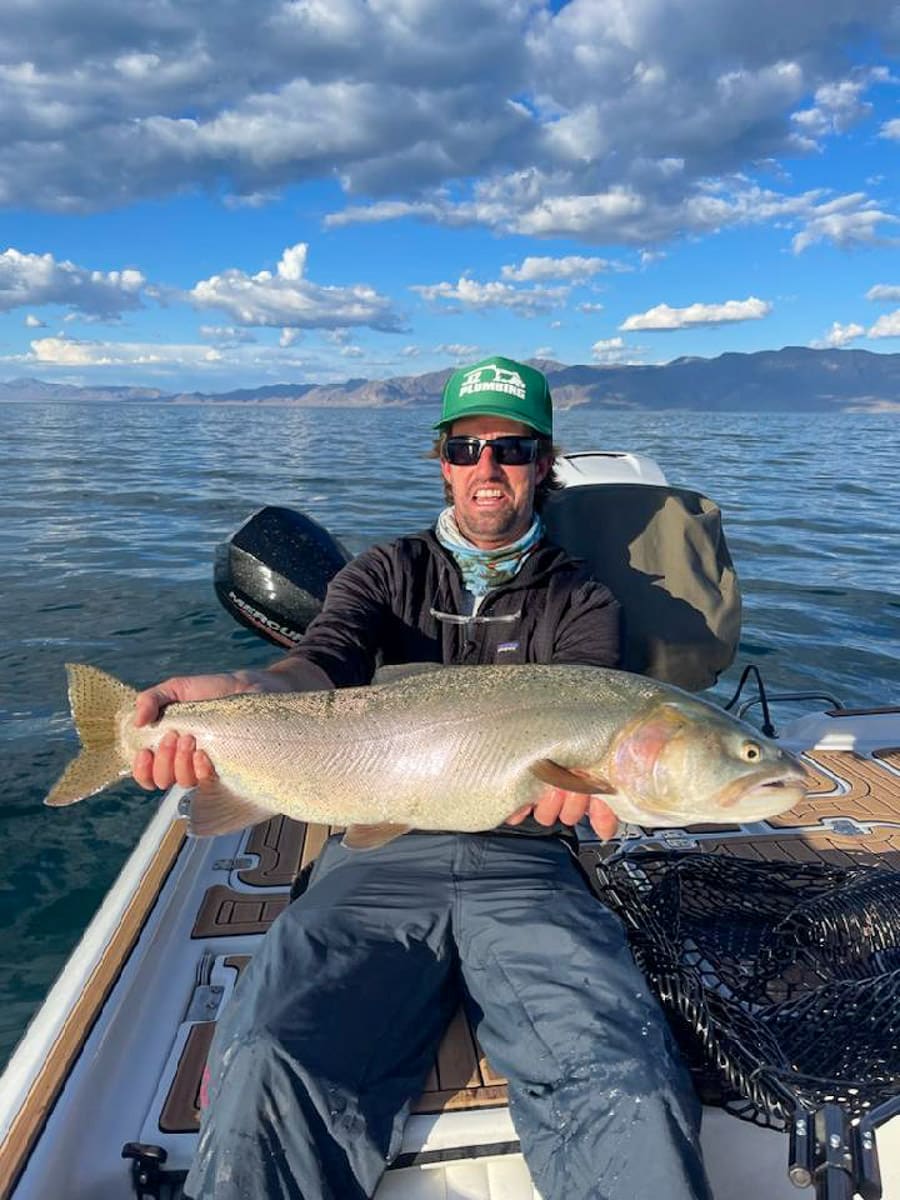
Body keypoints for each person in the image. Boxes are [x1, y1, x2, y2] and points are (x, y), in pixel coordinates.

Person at [133, 356, 711, 1200]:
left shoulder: (583, 601)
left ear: (543, 464)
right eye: (466, 445)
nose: (487, 469)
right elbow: (319, 667)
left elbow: (589, 721)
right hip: (375, 857)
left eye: (511, 450)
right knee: (267, 1056)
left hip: (526, 863)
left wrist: (588, 784)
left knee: (624, 1073)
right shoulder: (383, 572)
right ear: (440, 459)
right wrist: (242, 693)